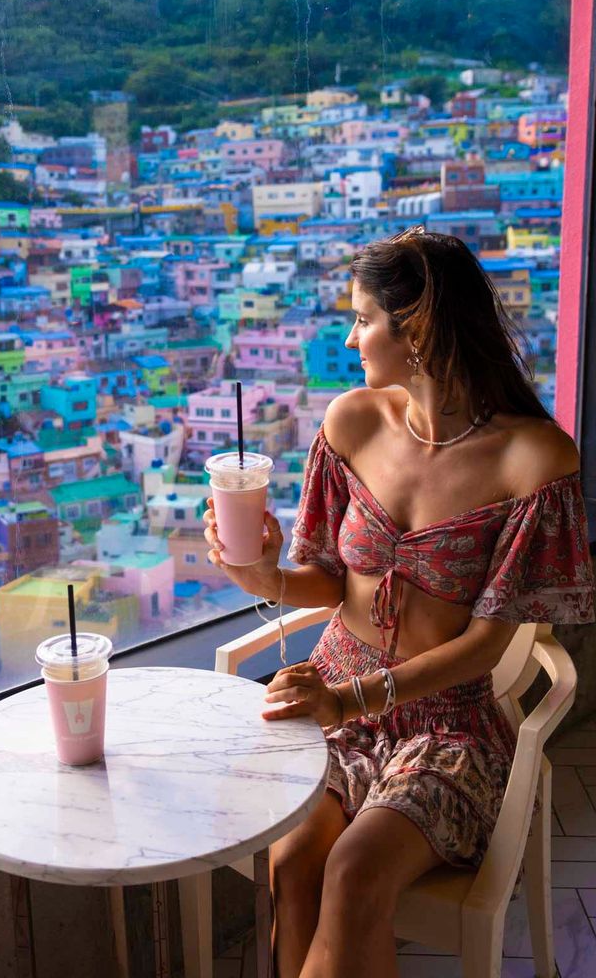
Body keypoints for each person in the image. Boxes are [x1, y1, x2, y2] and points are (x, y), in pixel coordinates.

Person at [203, 227, 595, 978]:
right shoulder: (352, 421)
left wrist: (353, 701)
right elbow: (326, 579)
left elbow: (486, 646)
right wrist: (261, 579)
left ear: (413, 328)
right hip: (328, 695)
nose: (351, 337)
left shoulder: (534, 460)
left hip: (446, 725)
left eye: (362, 318)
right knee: (292, 863)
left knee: (354, 875)